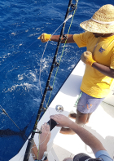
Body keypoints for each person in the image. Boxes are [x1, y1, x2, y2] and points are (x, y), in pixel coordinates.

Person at [38, 4, 114, 134]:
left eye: (96, 28)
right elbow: (71, 38)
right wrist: (50, 37)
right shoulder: (93, 35)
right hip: (88, 81)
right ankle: (84, 118)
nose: (92, 30)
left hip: (96, 89)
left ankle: (76, 129)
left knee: (81, 110)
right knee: (85, 110)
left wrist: (92, 63)